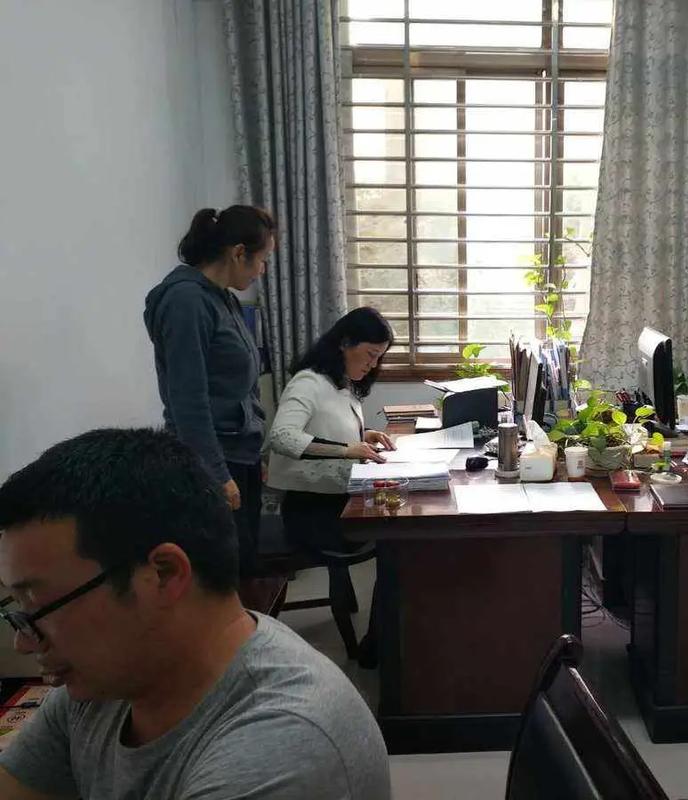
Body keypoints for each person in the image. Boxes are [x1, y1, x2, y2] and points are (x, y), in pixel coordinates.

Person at [0, 428, 391, 799]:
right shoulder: (103, 684)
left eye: (38, 605)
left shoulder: (278, 751)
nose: (23, 642)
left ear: (164, 574)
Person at [144, 206, 275, 575]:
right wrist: (218, 474)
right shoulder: (185, 301)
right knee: (224, 575)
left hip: (239, 452)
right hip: (212, 460)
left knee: (245, 565)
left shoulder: (222, 298)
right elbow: (188, 401)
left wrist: (254, 453)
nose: (262, 269)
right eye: (262, 259)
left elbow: (241, 387)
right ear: (238, 253)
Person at [265, 307, 395, 664]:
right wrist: (346, 449)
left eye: (379, 358)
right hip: (312, 512)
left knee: (397, 535)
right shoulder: (308, 382)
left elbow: (328, 430)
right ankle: (375, 645)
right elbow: (282, 437)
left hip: (335, 500)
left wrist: (364, 437)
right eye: (370, 354)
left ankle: (381, 636)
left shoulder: (341, 384)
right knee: (396, 545)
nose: (373, 364)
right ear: (344, 343)